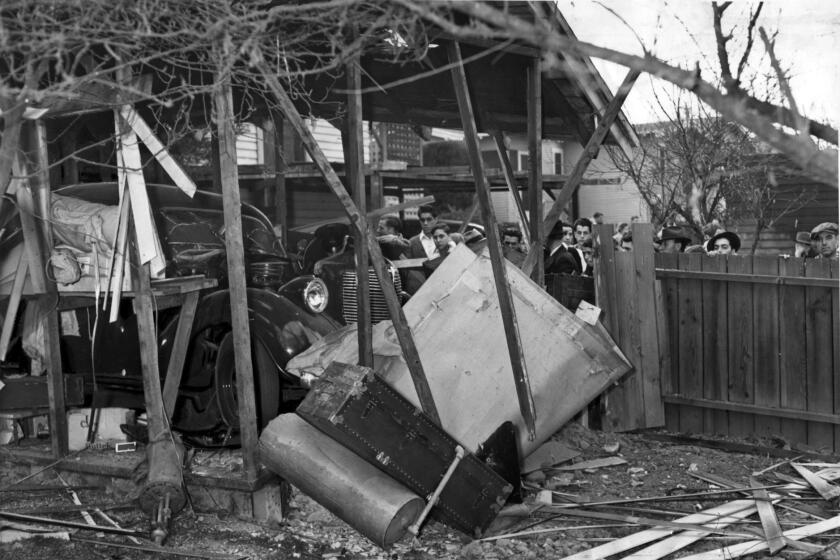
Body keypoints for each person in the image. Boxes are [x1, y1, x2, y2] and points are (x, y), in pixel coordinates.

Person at [404, 205, 439, 293]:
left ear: (436, 219)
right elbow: (408, 272)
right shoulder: (412, 242)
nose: (426, 223)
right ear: (419, 221)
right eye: (422, 220)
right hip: (419, 290)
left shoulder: (444, 239)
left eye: (429, 219)